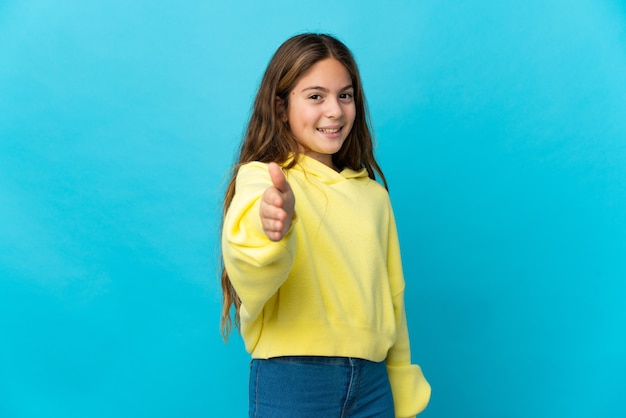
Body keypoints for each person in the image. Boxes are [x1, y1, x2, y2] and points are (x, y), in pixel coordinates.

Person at [220, 33, 430, 418]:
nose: (334, 110)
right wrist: (270, 229)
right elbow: (247, 262)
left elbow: (393, 300)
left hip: (372, 385)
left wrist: (400, 380)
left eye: (345, 96)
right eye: (316, 96)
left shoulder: (373, 197)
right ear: (281, 107)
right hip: (293, 378)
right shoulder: (265, 180)